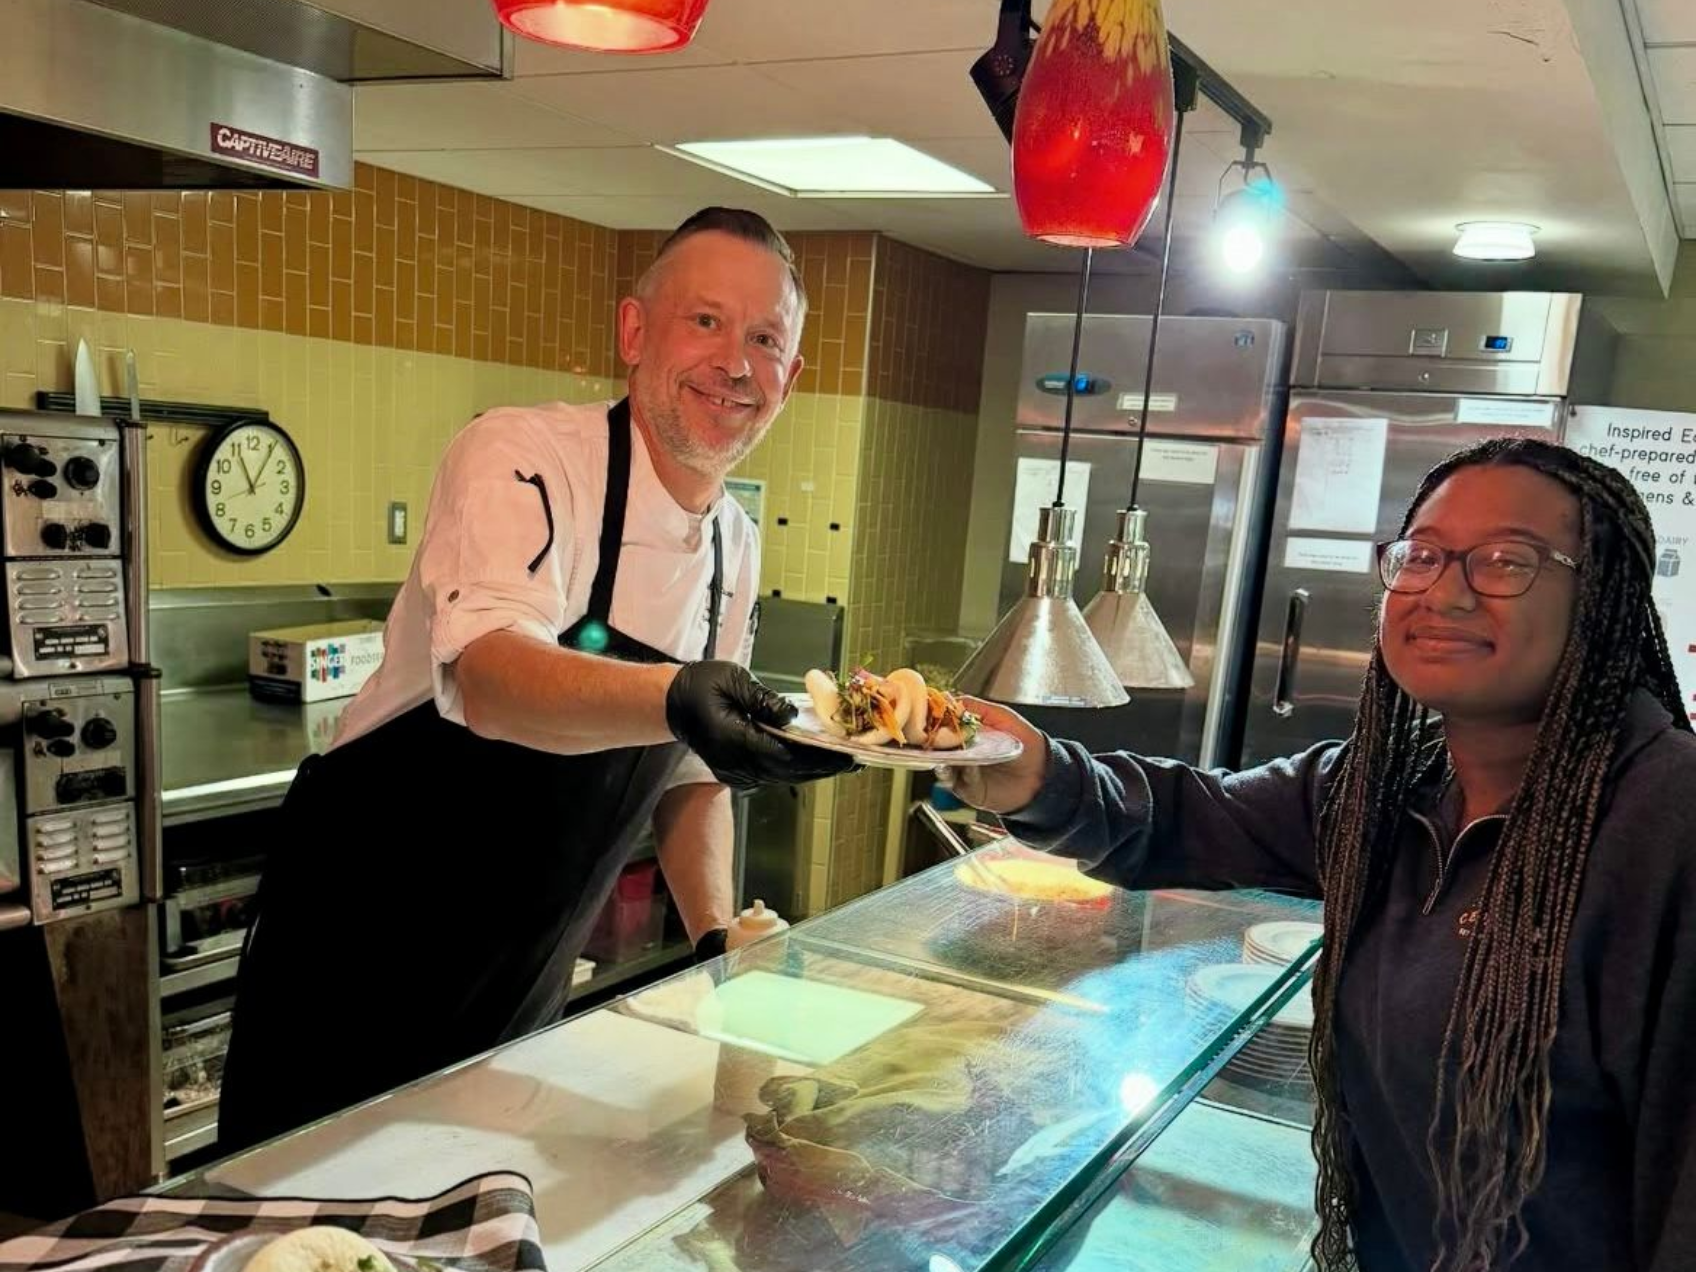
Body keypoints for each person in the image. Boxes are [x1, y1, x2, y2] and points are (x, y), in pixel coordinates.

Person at [944, 439, 1696, 1272]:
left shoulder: (1668, 829)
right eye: (1421, 556)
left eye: (1504, 562)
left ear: (1603, 600)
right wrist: (1034, 772)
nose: (1444, 592)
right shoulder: (1384, 789)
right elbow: (1193, 816)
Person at [217, 208, 851, 1151]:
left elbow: (686, 771)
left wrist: (717, 936)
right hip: (353, 965)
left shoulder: (735, 547)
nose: (736, 363)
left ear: (791, 378)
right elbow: (493, 675)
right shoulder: (523, 457)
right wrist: (675, 697)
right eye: (706, 322)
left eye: (766, 340)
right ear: (634, 333)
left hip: (520, 988)